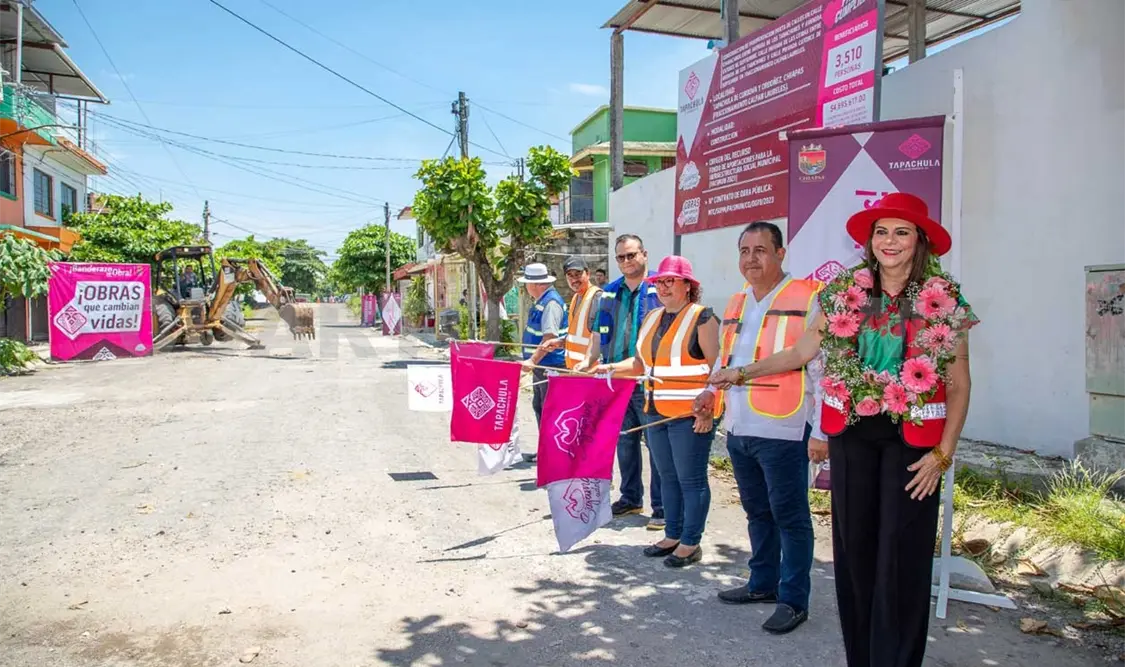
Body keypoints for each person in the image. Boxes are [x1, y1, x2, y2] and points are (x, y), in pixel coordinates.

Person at [710, 193, 978, 667]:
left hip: (913, 443)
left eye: (901, 232)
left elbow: (958, 383)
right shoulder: (844, 294)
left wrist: (943, 454)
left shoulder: (942, 299)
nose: (889, 241)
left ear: (919, 241)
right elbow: (800, 353)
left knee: (902, 555)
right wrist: (741, 372)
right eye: (881, 232)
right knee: (855, 553)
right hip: (853, 436)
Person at [693, 221, 822, 635]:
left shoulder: (808, 297)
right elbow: (725, 358)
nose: (751, 259)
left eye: (761, 250)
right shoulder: (736, 301)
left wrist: (821, 431)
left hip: (784, 426)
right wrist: (709, 391)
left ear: (780, 254)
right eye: (744, 251)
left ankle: (793, 599)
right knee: (757, 513)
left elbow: (822, 370)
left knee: (791, 517)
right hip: (740, 425)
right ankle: (762, 582)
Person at [593, 256, 718, 567]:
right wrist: (608, 369)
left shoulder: (703, 318)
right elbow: (640, 365)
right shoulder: (651, 318)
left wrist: (710, 409)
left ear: (688, 285)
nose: (663, 287)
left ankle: (691, 541)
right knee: (667, 476)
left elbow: (719, 368)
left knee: (691, 479)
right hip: (655, 411)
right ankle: (673, 534)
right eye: (659, 281)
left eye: (670, 281)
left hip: (690, 415)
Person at [576, 234, 664, 529]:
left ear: (644, 255)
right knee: (625, 442)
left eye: (631, 255)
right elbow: (597, 335)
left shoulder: (660, 288)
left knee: (656, 446)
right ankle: (631, 498)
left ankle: (662, 507)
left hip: (648, 381)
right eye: (621, 257)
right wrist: (588, 362)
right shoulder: (609, 294)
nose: (626, 261)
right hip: (615, 382)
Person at [518, 263, 568, 431]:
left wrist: (532, 360)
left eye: (527, 283)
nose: (526, 287)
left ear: (536, 284)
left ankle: (550, 447)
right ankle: (544, 446)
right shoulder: (543, 301)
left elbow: (549, 338)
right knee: (540, 407)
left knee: (549, 411)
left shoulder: (550, 304)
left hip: (551, 365)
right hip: (543, 366)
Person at [540, 256, 602, 369]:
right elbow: (577, 336)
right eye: (570, 275)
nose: (574, 280)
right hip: (576, 369)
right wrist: (560, 342)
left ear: (588, 274)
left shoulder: (597, 297)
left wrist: (588, 362)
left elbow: (600, 337)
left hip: (591, 370)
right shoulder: (575, 298)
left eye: (578, 274)